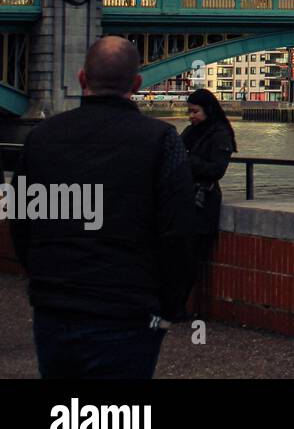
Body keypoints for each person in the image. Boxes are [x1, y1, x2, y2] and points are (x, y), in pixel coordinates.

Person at [10, 36, 196, 378]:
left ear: (82, 79)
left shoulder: (40, 138)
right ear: (137, 84)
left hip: (55, 306)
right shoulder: (161, 140)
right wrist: (169, 307)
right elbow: (180, 233)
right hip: (129, 309)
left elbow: (20, 221)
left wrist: (43, 280)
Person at [181, 88, 236, 267]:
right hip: (186, 201)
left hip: (204, 205)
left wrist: (189, 161)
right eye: (189, 111)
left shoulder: (220, 135)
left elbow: (217, 170)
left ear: (208, 110)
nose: (191, 116)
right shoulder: (191, 131)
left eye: (195, 111)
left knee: (191, 261)